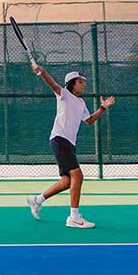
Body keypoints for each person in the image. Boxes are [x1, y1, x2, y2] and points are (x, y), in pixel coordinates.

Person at [26, 64, 114, 228]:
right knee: (78, 176)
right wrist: (42, 71)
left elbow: (89, 121)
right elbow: (52, 84)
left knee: (67, 181)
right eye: (81, 81)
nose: (84, 84)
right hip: (60, 139)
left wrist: (103, 107)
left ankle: (37, 200)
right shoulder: (64, 94)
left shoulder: (80, 103)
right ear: (72, 83)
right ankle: (74, 217)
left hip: (68, 143)